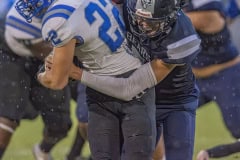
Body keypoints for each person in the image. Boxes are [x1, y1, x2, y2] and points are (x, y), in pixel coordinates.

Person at [45, 0, 201, 159]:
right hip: (136, 100)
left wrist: (78, 73)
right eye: (139, 19)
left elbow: (130, 87)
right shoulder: (121, 8)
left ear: (171, 17)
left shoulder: (181, 36)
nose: (143, 26)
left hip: (172, 99)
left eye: (152, 23)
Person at [16, 0, 158, 159]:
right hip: (133, 77)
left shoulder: (58, 18)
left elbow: (57, 81)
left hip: (107, 87)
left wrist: (41, 75)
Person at [0, 2, 72, 160]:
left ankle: (42, 151)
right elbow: (52, 55)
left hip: (46, 54)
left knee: (60, 125)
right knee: (7, 118)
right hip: (15, 55)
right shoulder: (19, 21)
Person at [183, 0, 240, 159]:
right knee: (165, 113)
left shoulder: (208, 12)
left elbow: (173, 24)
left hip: (226, 75)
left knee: (237, 129)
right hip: (196, 79)